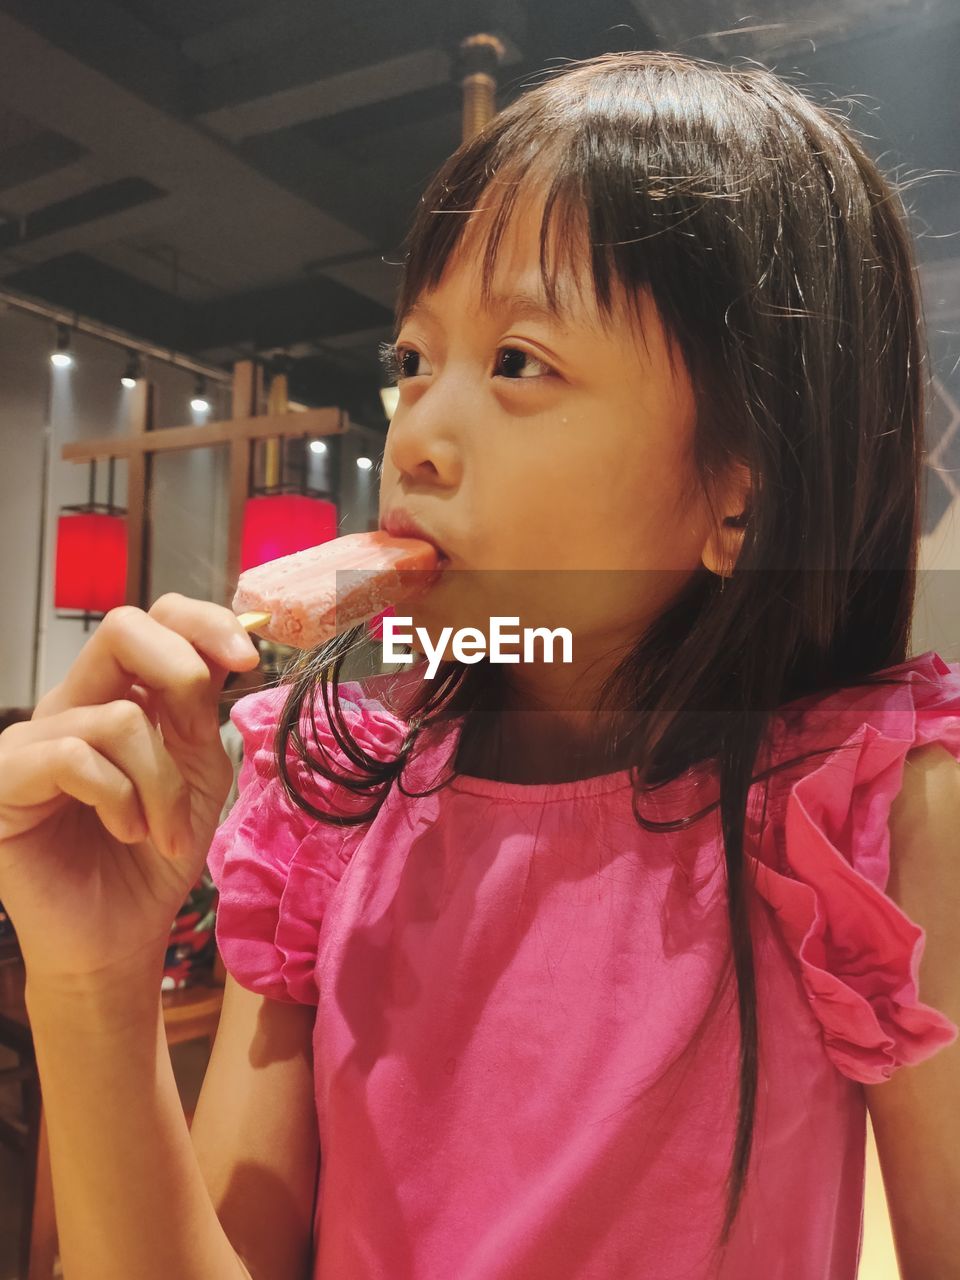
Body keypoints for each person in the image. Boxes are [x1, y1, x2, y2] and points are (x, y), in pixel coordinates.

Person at [0, 49, 958, 1280]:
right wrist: (90, 979)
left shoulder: (857, 819)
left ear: (738, 497)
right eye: (412, 363)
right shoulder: (322, 794)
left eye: (519, 363)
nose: (421, 440)